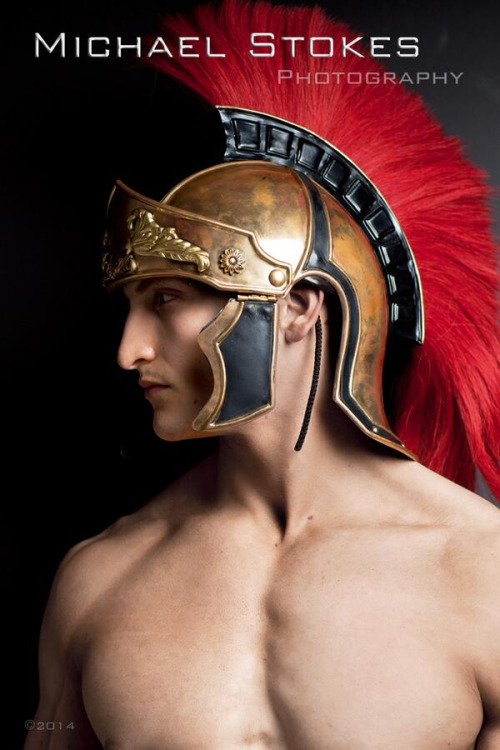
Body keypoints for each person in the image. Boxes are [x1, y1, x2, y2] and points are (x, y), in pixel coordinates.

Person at [25, 1, 500, 748]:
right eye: (130, 307)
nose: (129, 351)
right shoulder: (99, 579)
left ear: (299, 307)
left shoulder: (482, 576)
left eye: (166, 299)